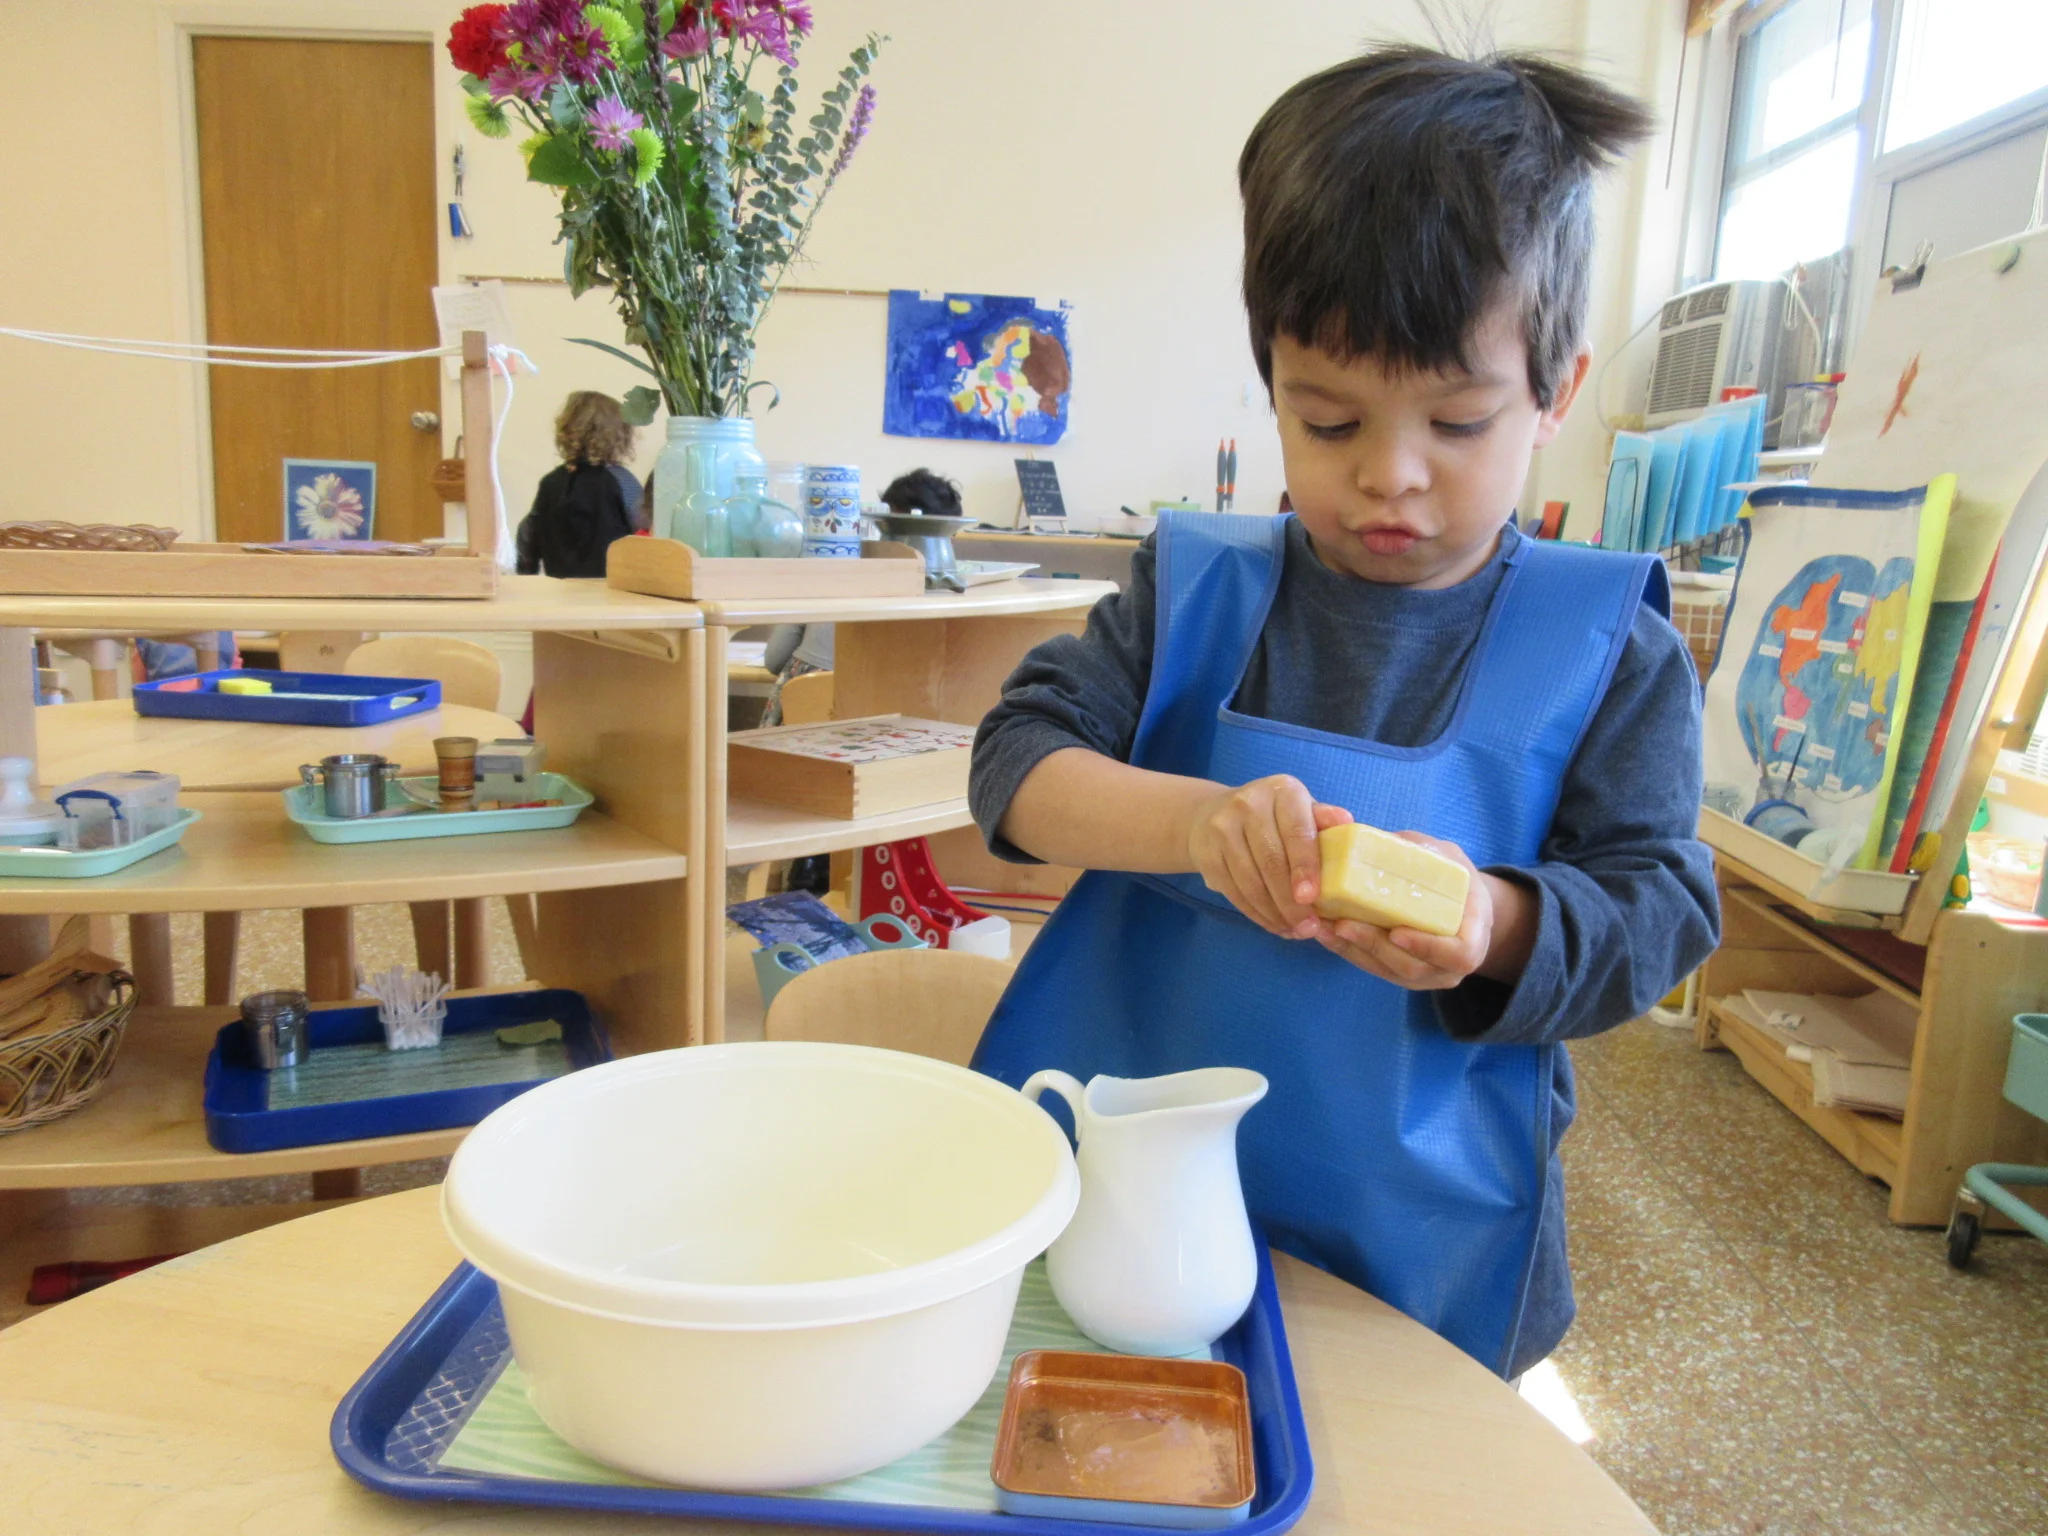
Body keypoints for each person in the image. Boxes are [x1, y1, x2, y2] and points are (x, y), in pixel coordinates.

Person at [968, 45, 1720, 1380]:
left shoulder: (1607, 645)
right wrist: (1197, 826)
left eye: (1458, 422)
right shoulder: (1196, 586)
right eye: (1327, 422)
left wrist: (1491, 923)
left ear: (1554, 390)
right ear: (1271, 380)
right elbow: (1016, 762)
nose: (1390, 477)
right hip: (1129, 1209)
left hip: (1418, 1236)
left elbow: (1657, 906)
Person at [514, 392, 644, 578]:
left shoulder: (551, 482)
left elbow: (527, 534)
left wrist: (526, 573)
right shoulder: (622, 481)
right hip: (610, 588)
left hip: (559, 587)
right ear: (620, 434)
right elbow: (645, 531)